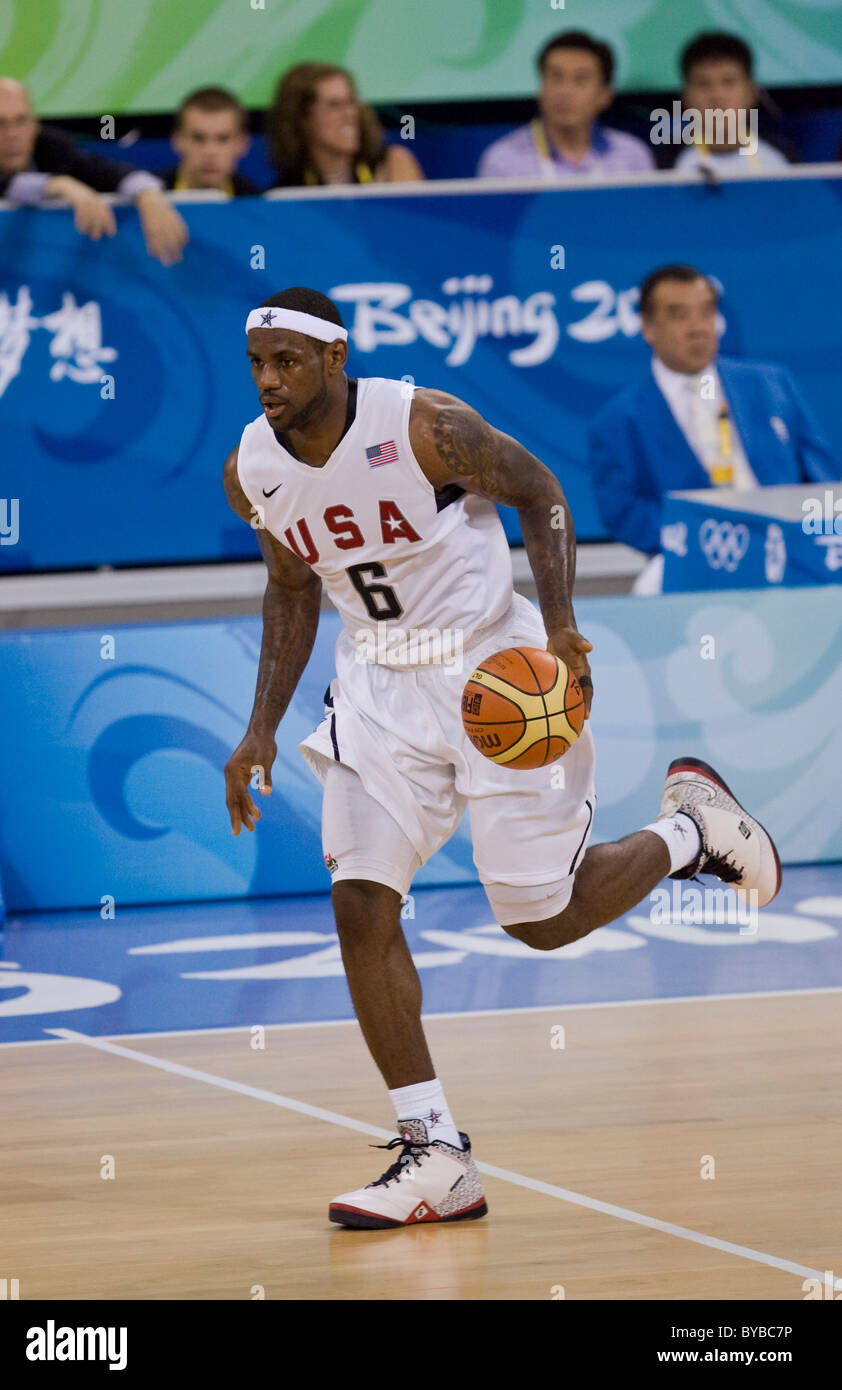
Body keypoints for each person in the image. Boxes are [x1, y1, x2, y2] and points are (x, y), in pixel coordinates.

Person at [221, 285, 782, 1229]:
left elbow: (542, 492)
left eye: (288, 361)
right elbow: (292, 589)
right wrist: (259, 727)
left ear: (336, 357)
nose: (270, 380)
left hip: (495, 676)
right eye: (257, 364)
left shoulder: (426, 424)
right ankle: (436, 1151)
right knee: (361, 900)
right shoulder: (251, 467)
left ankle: (691, 832)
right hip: (377, 689)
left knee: (543, 919)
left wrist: (561, 629)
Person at [588, 264, 837, 561]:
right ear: (648, 328)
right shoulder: (618, 419)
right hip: (694, 561)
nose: (699, 327)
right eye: (680, 315)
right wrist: (701, 539)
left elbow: (823, 479)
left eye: (706, 312)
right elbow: (623, 512)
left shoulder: (771, 383)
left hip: (791, 550)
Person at [0, 77, 187, 265]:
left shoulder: (53, 147)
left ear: (34, 125)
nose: (12, 134)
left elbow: (106, 171)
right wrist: (56, 184)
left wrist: (148, 195)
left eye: (20, 121)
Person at [476, 30, 654, 181]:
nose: (565, 91)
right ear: (541, 88)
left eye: (581, 80)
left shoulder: (633, 156)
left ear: (605, 95)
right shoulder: (503, 160)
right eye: (556, 77)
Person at [267, 63, 423, 188]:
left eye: (350, 102)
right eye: (333, 105)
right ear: (301, 118)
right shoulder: (288, 192)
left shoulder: (392, 165)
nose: (349, 114)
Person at [672, 33, 791, 175]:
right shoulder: (667, 161)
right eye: (703, 84)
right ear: (685, 97)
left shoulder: (780, 157)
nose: (717, 95)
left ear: (752, 93)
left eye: (729, 82)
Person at [158, 86, 262, 196]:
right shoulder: (145, 198)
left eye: (223, 139)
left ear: (243, 143)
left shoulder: (258, 203)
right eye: (198, 138)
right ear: (177, 140)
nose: (210, 151)